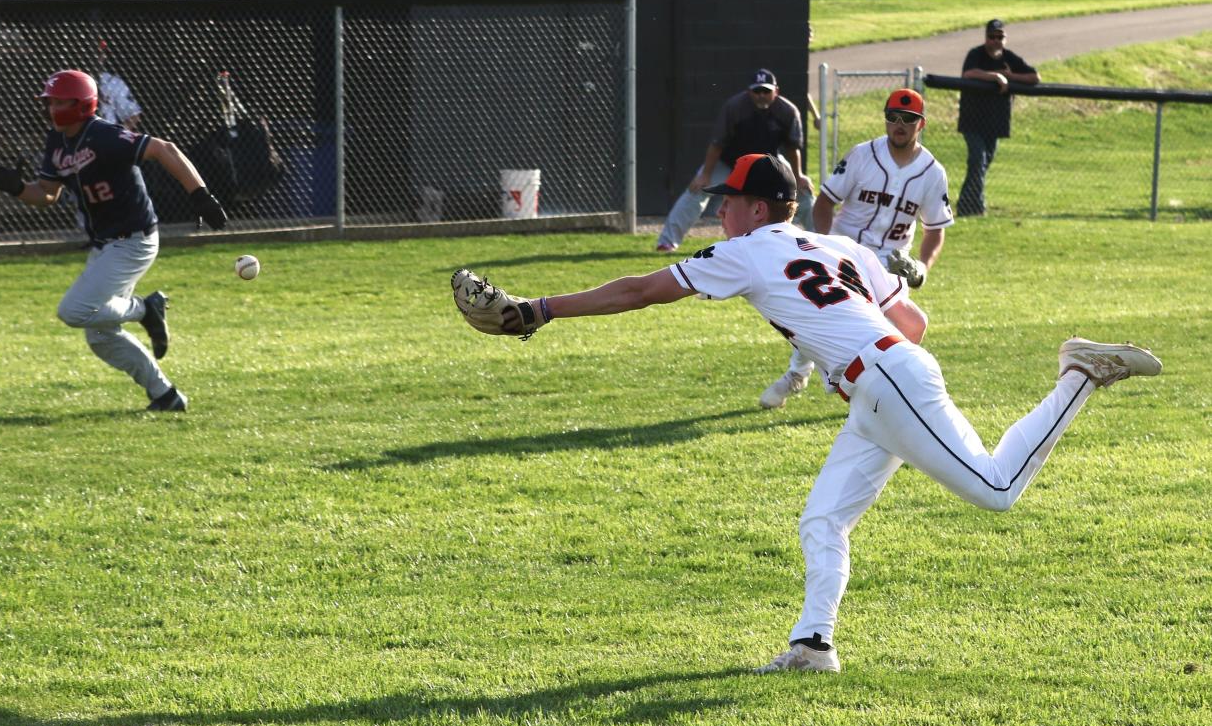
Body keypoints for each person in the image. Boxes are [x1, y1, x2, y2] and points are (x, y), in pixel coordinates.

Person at [454, 152, 1162, 674]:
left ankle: (1078, 374)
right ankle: (812, 645)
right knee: (823, 519)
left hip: (882, 382)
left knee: (997, 490)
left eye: (730, 199)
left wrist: (538, 311)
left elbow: (641, 289)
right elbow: (912, 321)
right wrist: (850, 365)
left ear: (759, 208)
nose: (721, 209)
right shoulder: (839, 245)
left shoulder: (747, 249)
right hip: (884, 380)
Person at [0, 69, 228, 412]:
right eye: (50, 101)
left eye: (60, 101)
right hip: (105, 244)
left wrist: (201, 195)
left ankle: (146, 308)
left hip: (134, 240)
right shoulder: (57, 139)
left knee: (73, 311)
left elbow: (164, 149)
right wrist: (17, 188)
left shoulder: (104, 136)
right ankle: (166, 395)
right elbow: (48, 195)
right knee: (100, 335)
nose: (52, 108)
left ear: (82, 104)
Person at [759, 88, 953, 410]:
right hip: (845, 252)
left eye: (909, 119)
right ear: (886, 120)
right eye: (893, 117)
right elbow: (825, 202)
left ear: (922, 124)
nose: (899, 124)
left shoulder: (932, 173)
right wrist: (823, 243)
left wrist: (923, 266)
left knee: (894, 333)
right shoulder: (863, 155)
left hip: (891, 264)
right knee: (820, 316)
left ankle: (884, 395)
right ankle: (797, 375)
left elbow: (935, 229)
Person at [655, 68, 814, 252]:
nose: (761, 95)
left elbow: (793, 147)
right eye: (757, 91)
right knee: (696, 189)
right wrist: (705, 174)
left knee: (803, 191)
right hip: (731, 163)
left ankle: (821, 238)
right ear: (749, 92)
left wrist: (799, 175)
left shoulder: (787, 111)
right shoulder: (735, 107)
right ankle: (667, 242)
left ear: (775, 91)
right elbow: (717, 144)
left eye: (766, 91)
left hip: (768, 165)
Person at [956, 19, 1040, 217]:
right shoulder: (975, 54)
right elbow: (969, 73)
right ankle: (974, 206)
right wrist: (995, 77)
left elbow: (1035, 77)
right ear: (985, 38)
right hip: (973, 120)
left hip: (995, 122)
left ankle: (968, 205)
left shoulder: (1009, 58)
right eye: (992, 37)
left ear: (1005, 38)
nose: (996, 41)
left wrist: (1009, 76)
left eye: (1000, 37)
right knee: (978, 159)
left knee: (984, 163)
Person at [96, 39, 142, 131]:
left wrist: (116, 136)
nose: (99, 57)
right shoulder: (65, 78)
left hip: (104, 136)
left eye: (100, 53)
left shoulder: (112, 82)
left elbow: (133, 114)